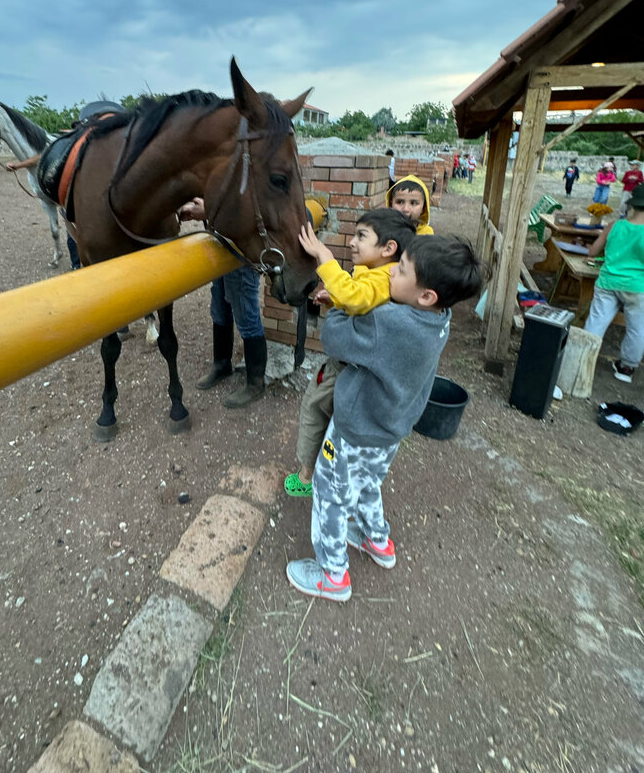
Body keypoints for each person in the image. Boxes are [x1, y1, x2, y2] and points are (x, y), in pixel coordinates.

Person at [285, 235, 487, 601]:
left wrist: (344, 305)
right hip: (391, 430)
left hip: (356, 429)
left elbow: (334, 339)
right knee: (366, 483)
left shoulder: (390, 322)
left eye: (402, 270)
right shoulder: (440, 318)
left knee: (330, 493)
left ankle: (333, 576)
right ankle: (377, 541)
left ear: (426, 295)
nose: (392, 271)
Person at [284, 209, 416, 498]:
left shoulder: (382, 277)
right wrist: (336, 298)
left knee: (314, 409)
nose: (353, 242)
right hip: (361, 371)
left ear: (388, 248)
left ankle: (307, 478)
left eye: (361, 236)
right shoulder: (383, 274)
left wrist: (324, 257)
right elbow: (362, 302)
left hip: (345, 367)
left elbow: (356, 298)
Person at [179, 197, 267, 408]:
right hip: (219, 243)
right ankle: (222, 364)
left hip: (242, 248)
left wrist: (209, 209)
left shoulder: (254, 165)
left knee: (246, 314)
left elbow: (253, 207)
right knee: (219, 308)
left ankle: (256, 383)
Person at [584, 183, 644, 383]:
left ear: (632, 205)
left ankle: (583, 359)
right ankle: (626, 368)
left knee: (597, 320)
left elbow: (592, 252)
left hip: (608, 281)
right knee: (637, 328)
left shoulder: (613, 226)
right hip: (637, 286)